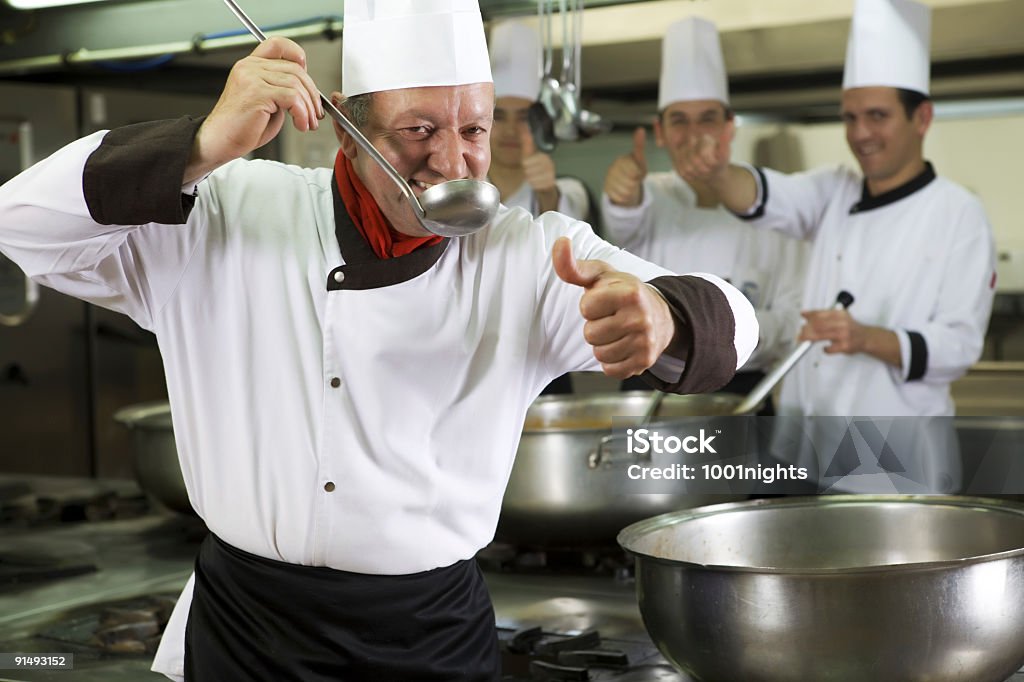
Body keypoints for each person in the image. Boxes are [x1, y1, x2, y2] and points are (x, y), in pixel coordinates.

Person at [0, 1, 757, 680]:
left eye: (473, 131)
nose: (452, 162)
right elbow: (19, 221)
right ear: (344, 123)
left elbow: (736, 320)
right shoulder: (224, 214)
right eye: (419, 130)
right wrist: (199, 145)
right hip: (248, 632)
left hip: (426, 637)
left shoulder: (526, 255)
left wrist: (665, 315)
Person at [677, 0, 995, 495]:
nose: (860, 133)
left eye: (877, 115)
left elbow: (958, 347)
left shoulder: (959, 215)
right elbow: (764, 194)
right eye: (849, 117)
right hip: (806, 445)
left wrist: (865, 337)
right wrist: (719, 173)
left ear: (923, 117)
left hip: (896, 464)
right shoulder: (835, 190)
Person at [601, 17, 807, 413]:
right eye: (679, 120)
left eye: (708, 119)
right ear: (660, 132)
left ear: (730, 127)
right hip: (648, 396)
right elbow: (621, 225)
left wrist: (706, 333)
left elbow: (792, 319)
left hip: (743, 394)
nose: (694, 135)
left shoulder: (776, 206)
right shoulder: (646, 197)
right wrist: (622, 196)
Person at [488, 19, 595, 395]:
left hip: (545, 364)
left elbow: (572, 226)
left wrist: (546, 192)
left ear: (542, 126)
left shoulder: (566, 192)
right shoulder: (459, 195)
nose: (513, 131)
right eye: (499, 115)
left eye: (526, 118)